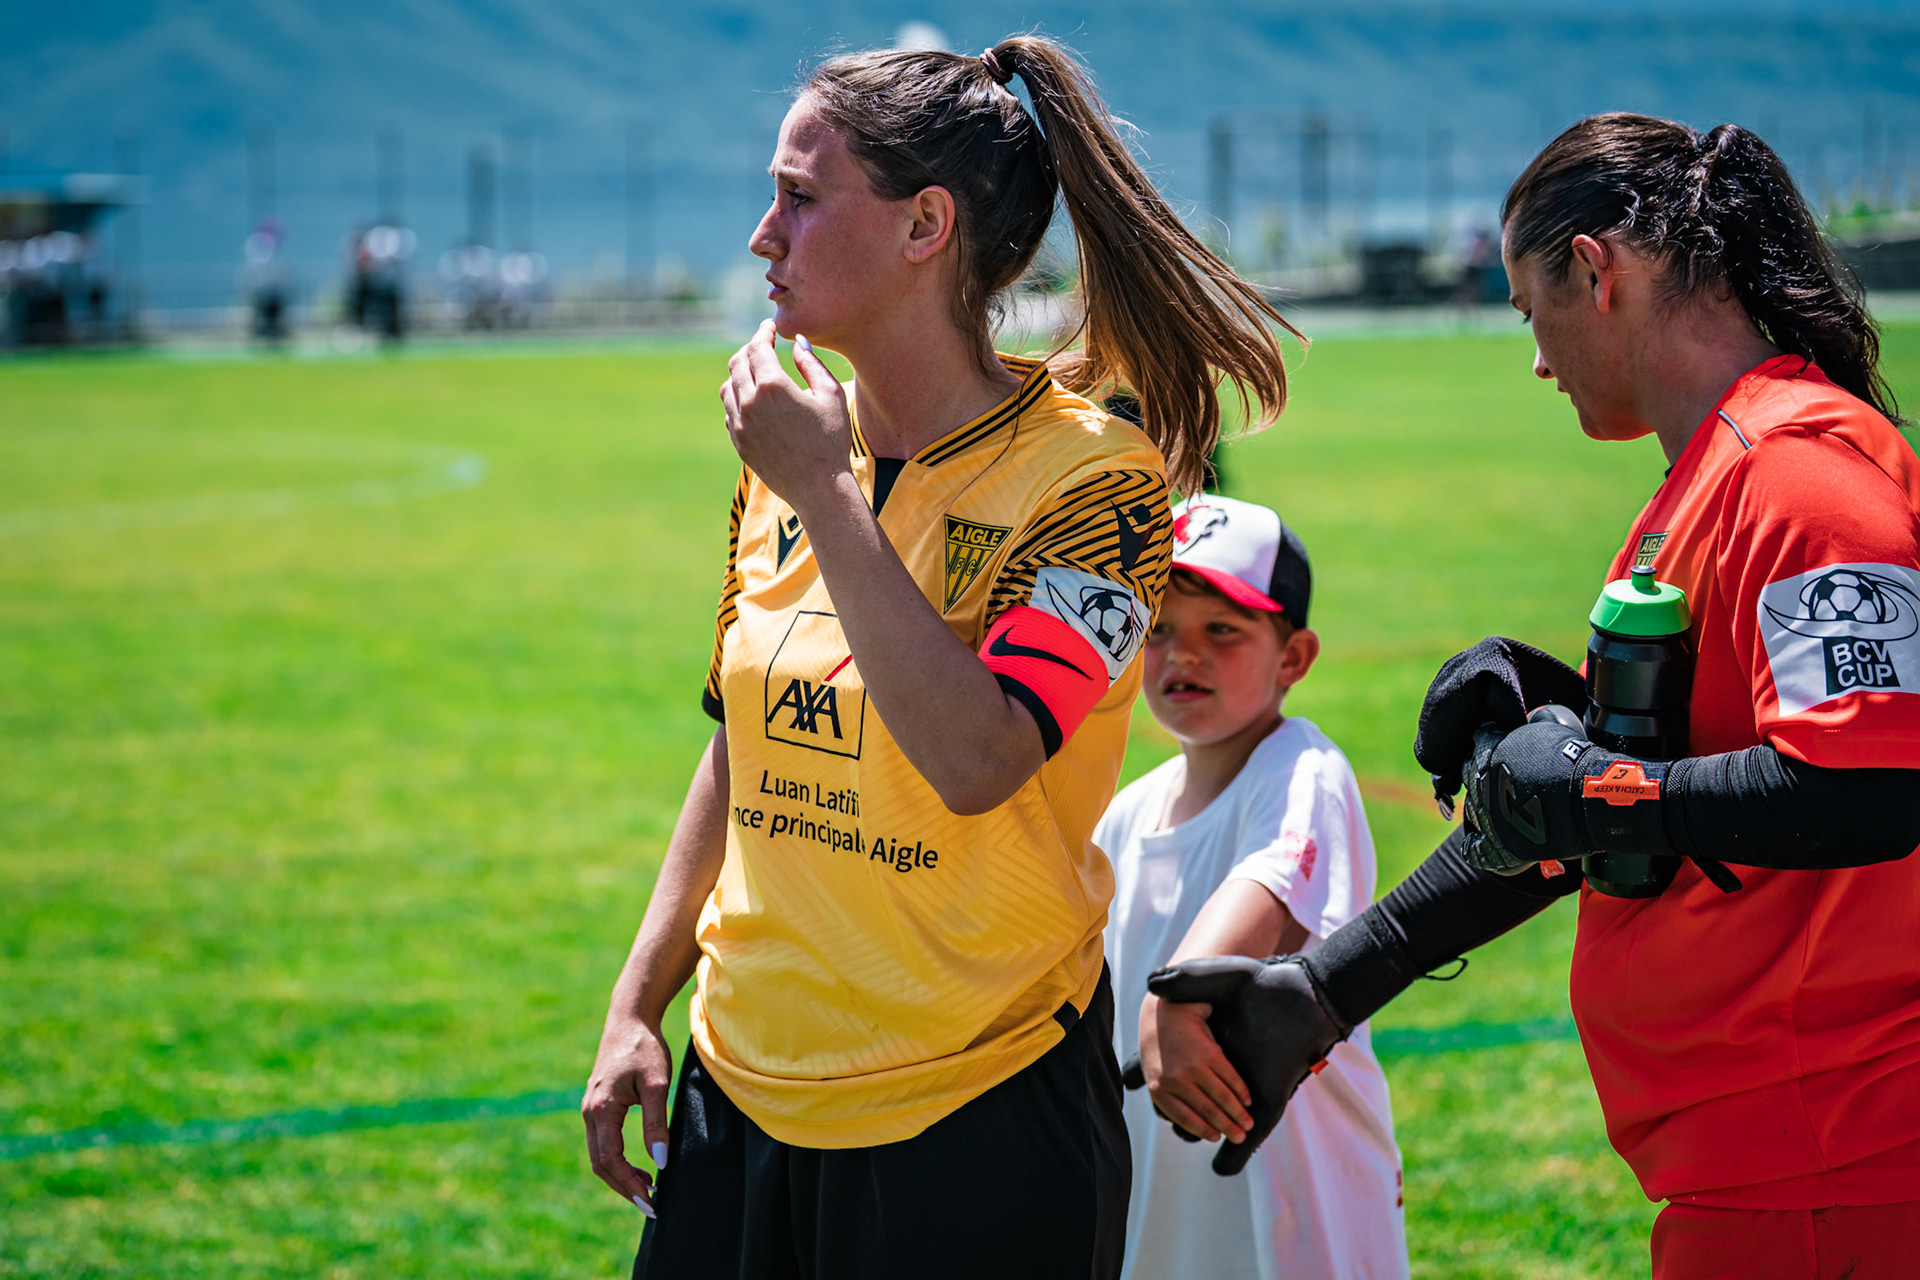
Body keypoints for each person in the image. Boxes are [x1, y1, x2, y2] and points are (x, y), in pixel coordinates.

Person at [1146, 113, 1920, 1278]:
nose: (1540, 357)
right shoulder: (1705, 480)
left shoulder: (1800, 479)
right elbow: (1623, 802)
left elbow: (1872, 784)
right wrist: (1327, 986)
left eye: (1529, 310)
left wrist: (1611, 783)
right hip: (1759, 1167)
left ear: (1595, 271)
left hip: (1836, 1166)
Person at [581, 36, 1298, 1280]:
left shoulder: (1096, 481)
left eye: (801, 197)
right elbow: (740, 743)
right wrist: (637, 1002)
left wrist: (824, 493)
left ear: (925, 225)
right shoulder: (796, 449)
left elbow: (981, 756)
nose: (763, 234)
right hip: (736, 1088)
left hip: (975, 1110)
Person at [1100, 494, 1409, 1280]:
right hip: (1159, 1198)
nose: (1182, 655)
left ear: (1293, 658)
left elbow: (1264, 896)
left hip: (1293, 1204)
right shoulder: (1127, 813)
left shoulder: (1301, 770)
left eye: (1222, 631)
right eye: (1158, 628)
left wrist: (1170, 1001)